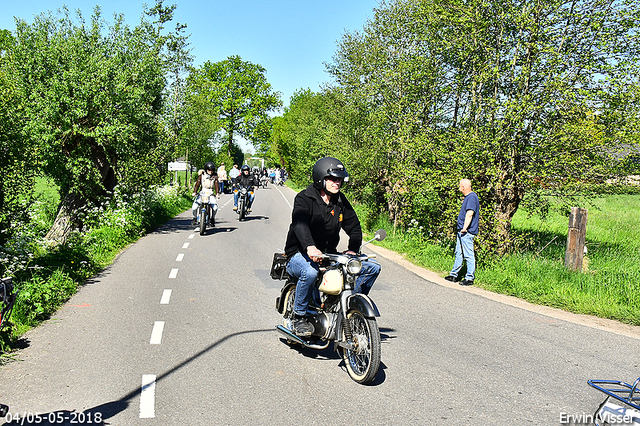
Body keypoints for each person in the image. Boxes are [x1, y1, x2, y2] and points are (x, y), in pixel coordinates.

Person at [283, 157, 381, 336]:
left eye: (340, 179)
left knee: (371, 268)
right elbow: (300, 224)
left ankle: (347, 306)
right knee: (310, 272)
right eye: (333, 179)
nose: (338, 183)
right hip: (299, 253)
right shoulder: (305, 198)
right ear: (321, 178)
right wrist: (310, 247)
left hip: (329, 254)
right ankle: (299, 317)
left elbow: (355, 227)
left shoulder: (340, 201)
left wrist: (353, 249)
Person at [445, 179, 480, 286]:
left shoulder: (472, 198)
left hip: (467, 232)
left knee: (468, 255)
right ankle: (454, 274)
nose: (459, 187)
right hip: (462, 231)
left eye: (460, 186)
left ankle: (469, 278)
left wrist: (465, 228)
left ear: (463, 187)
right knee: (458, 253)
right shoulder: (468, 198)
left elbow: (470, 213)